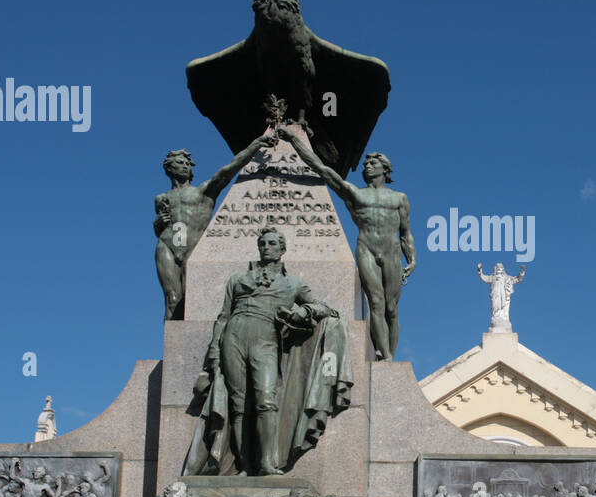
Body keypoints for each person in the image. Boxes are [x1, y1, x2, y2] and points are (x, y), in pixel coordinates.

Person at [187, 227, 342, 476]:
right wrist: (214, 352)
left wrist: (304, 312)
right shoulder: (237, 279)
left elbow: (322, 307)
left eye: (272, 243)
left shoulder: (293, 283)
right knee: (238, 405)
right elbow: (223, 317)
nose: (266, 247)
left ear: (282, 249)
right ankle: (244, 464)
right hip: (234, 337)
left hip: (266, 339)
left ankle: (267, 463)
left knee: (265, 401)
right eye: (263, 244)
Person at [278, 127, 415, 360]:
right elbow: (322, 169)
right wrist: (294, 140)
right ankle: (386, 356)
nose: (367, 166)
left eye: (373, 163)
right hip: (367, 250)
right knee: (376, 304)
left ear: (385, 169)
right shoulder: (355, 193)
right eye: (365, 164)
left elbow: (405, 233)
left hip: (392, 252)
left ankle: (390, 355)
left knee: (392, 309)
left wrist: (412, 259)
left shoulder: (398, 198)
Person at [154, 131, 275, 320]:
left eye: (187, 164)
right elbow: (160, 228)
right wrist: (158, 223)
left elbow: (228, 170)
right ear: (169, 168)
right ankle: (169, 348)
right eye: (180, 163)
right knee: (172, 298)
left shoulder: (202, 191)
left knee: (189, 299)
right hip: (167, 246)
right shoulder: (161, 198)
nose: (185, 166)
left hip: (193, 247)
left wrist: (256, 144)